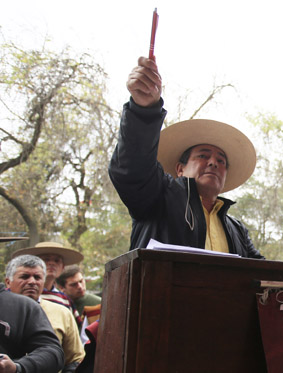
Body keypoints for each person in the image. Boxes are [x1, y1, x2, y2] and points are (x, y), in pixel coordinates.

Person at [108, 57, 263, 258]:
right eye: (203, 155)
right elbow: (132, 169)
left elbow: (263, 272)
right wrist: (144, 109)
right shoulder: (159, 196)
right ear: (180, 169)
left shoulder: (237, 230)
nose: (213, 162)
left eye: (221, 161)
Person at [5, 255, 84, 372]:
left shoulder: (62, 312)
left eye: (37, 277)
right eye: (24, 276)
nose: (32, 282)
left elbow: (75, 358)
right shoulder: (2, 308)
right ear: (8, 282)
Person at [12, 242, 82, 320]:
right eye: (46, 259)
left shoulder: (65, 300)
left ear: (62, 267)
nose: (51, 263)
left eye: (56, 260)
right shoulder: (19, 293)